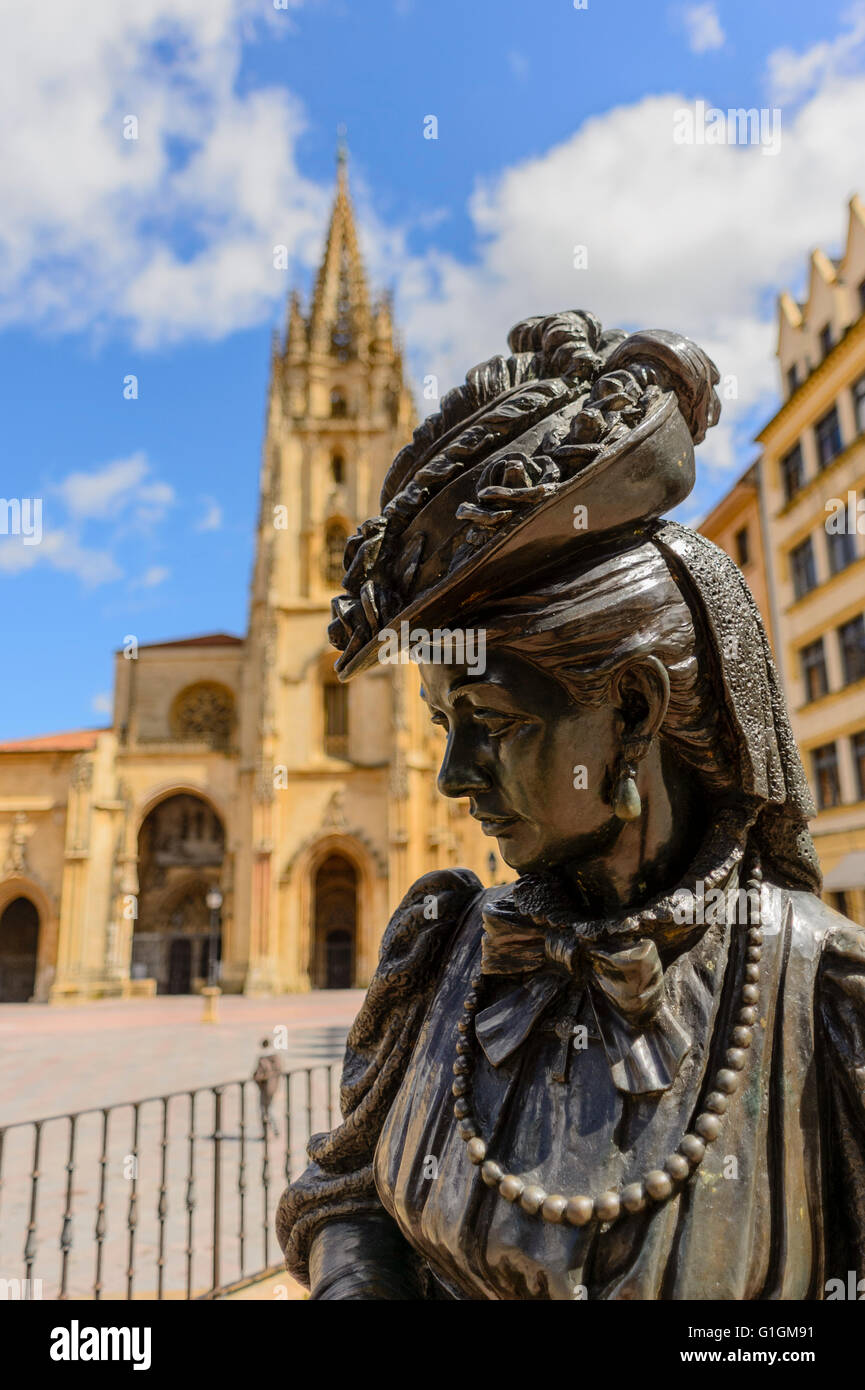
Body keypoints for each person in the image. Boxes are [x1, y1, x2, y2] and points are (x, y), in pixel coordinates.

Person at [277, 310, 865, 1300]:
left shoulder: (818, 995)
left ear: (634, 710)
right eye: (440, 724)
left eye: (492, 722)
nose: (451, 776)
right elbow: (345, 1193)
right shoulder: (440, 947)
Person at [253, 1036, 281, 1137]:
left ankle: (267, 1133)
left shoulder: (263, 1059)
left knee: (264, 1110)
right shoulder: (276, 1057)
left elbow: (258, 1075)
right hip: (274, 1087)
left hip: (265, 1089)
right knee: (270, 1109)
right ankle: (275, 1129)